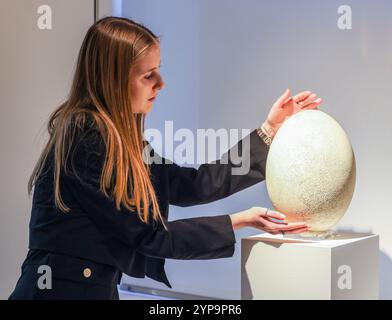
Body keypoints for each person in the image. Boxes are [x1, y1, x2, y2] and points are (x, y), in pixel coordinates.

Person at [9, 17, 322, 300]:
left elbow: (193, 185)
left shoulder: (120, 141)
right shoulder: (87, 139)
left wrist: (268, 131)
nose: (161, 84)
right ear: (113, 80)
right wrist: (240, 220)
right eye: (148, 76)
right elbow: (150, 236)